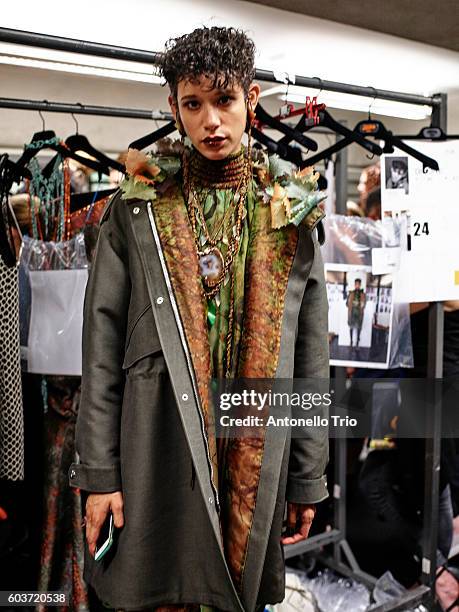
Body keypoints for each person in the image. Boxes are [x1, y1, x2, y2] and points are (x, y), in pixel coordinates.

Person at [69, 26, 329, 612]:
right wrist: (100, 475)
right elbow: (101, 347)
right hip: (155, 440)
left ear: (251, 99)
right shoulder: (137, 209)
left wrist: (309, 473)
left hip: (252, 440)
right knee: (159, 586)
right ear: (174, 108)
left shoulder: (289, 213)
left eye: (224, 100)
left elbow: (311, 353)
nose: (211, 120)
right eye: (194, 104)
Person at [347, 278, 366, 348]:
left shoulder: (363, 294)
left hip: (359, 313)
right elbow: (347, 304)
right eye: (356, 284)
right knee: (351, 328)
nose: (357, 285)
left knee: (359, 328)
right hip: (352, 313)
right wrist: (350, 304)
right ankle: (351, 342)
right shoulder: (351, 293)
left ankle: (357, 343)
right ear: (355, 285)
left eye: (358, 284)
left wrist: (361, 304)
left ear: (360, 285)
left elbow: (364, 304)